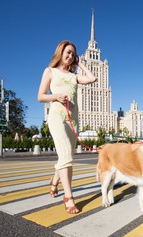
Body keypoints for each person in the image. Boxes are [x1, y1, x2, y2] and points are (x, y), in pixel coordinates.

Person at [37, 40, 97, 214]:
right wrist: (55, 96)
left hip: (73, 120)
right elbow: (40, 96)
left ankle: (54, 182)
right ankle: (69, 197)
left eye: (73, 54)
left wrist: (81, 64)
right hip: (57, 117)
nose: (70, 56)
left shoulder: (74, 76)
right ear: (60, 52)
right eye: (68, 52)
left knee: (66, 155)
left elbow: (93, 78)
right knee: (65, 155)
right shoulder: (50, 71)